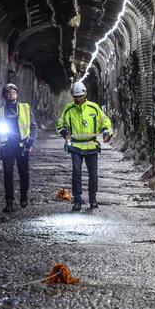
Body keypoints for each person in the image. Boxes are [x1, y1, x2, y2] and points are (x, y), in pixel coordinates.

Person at [56, 81, 113, 211]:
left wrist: (106, 131)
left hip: (92, 145)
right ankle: (77, 199)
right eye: (75, 97)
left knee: (93, 174)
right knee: (77, 173)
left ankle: (93, 199)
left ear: (85, 94)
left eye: (80, 96)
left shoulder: (94, 108)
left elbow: (105, 121)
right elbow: (60, 124)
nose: (78, 99)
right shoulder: (68, 109)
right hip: (75, 146)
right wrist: (64, 132)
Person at [0, 83, 38, 213]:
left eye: (13, 91)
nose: (11, 94)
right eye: (8, 92)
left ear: (17, 94)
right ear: (5, 95)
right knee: (8, 175)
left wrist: (29, 142)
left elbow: (34, 127)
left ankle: (24, 196)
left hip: (22, 146)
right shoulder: (0, 111)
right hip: (7, 146)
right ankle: (9, 201)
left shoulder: (25, 108)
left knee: (23, 173)